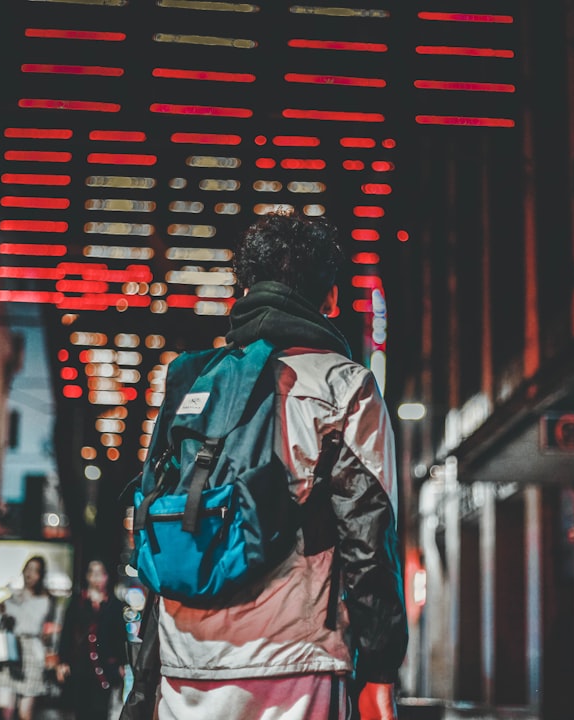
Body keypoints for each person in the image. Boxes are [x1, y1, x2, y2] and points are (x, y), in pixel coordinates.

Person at [122, 211, 408, 720]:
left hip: (182, 665)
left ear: (246, 289)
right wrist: (380, 671)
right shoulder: (344, 385)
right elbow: (369, 540)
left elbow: (154, 527)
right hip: (293, 666)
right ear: (332, 299)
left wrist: (146, 680)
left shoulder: (191, 379)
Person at [56, 559, 128, 720]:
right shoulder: (77, 602)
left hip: (106, 666)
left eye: (101, 573)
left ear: (107, 577)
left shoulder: (115, 605)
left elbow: (120, 637)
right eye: (93, 573)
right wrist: (63, 661)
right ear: (87, 576)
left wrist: (121, 664)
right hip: (81, 665)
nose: (97, 578)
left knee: (101, 711)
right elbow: (67, 632)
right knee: (81, 711)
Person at [0, 555, 58, 720]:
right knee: (5, 709)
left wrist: (12, 604)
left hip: (32, 653)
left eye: (35, 571)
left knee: (25, 713)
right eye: (28, 569)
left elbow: (33, 623)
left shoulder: (45, 600)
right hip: (11, 650)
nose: (30, 574)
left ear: (41, 575)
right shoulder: (12, 598)